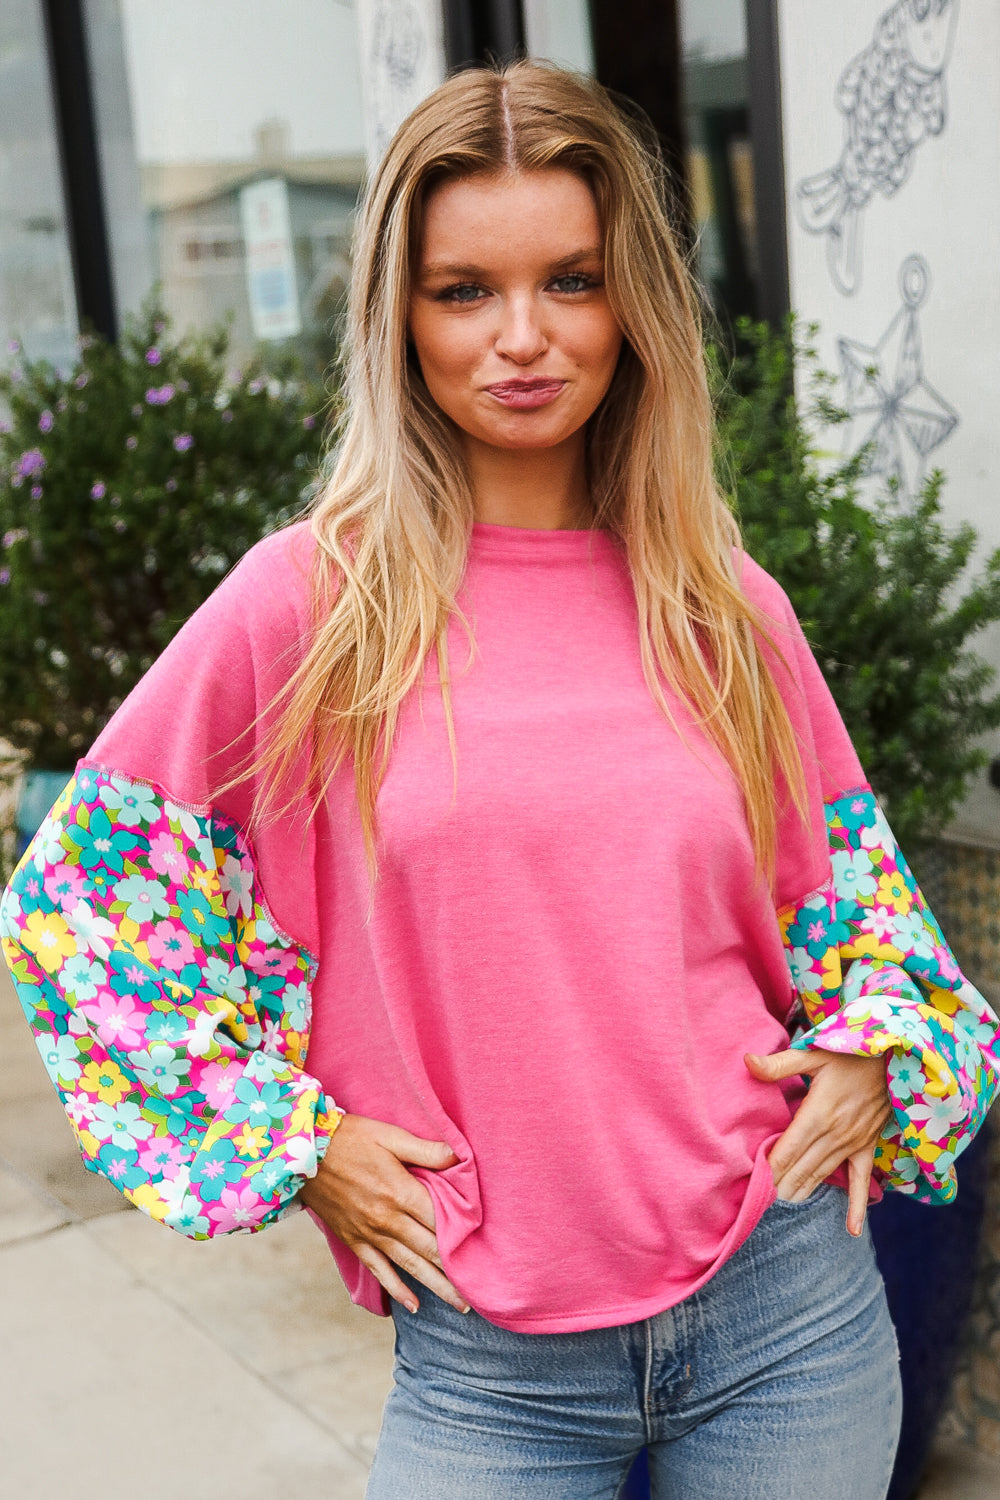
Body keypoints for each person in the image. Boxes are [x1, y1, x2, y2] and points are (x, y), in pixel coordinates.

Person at [1, 61, 997, 1500]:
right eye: (464, 290)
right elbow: (83, 907)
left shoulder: (721, 605)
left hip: (786, 1315)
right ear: (398, 317)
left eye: (570, 281)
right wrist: (296, 1142)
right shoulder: (308, 608)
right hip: (487, 1368)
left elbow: (856, 908)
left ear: (632, 304)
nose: (521, 337)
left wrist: (867, 1046)